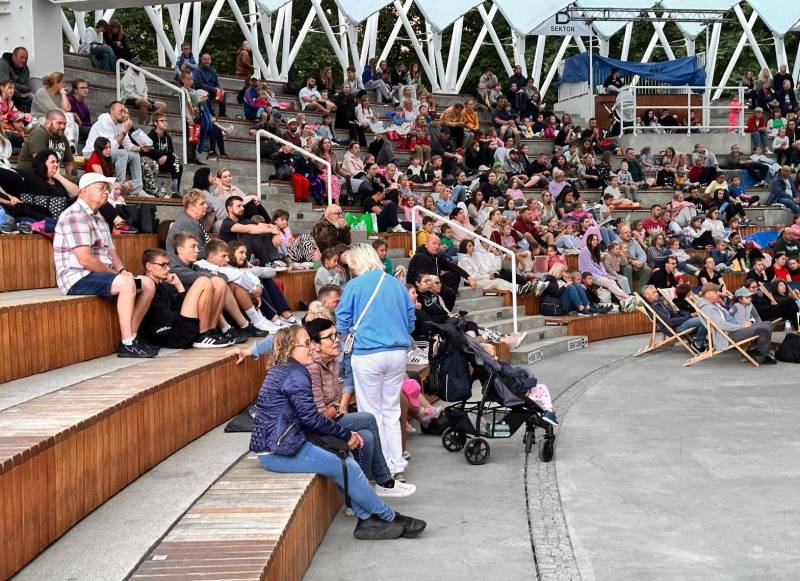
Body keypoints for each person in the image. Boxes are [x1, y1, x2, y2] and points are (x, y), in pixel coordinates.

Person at [247, 325, 426, 540]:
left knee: (345, 459)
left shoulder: (286, 369)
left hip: (287, 440)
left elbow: (307, 419)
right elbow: (312, 419)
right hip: (277, 451)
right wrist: (346, 435)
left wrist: (342, 436)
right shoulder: (295, 374)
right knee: (344, 464)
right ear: (289, 348)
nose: (313, 347)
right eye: (307, 343)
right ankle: (389, 517)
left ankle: (366, 519)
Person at [303, 317, 416, 497]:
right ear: (315, 344)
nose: (336, 340)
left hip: (331, 418)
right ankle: (383, 480)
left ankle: (360, 492)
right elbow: (320, 415)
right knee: (368, 418)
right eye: (329, 337)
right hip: (314, 429)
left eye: (336, 335)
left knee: (367, 437)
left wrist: (335, 407)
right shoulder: (312, 368)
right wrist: (335, 408)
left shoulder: (332, 362)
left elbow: (336, 397)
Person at [53, 173, 157, 357]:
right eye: (100, 188)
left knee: (147, 284)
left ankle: (131, 338)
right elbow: (85, 259)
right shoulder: (74, 216)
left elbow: (111, 252)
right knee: (127, 284)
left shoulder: (99, 217)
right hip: (76, 277)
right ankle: (127, 344)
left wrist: (122, 270)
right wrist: (116, 275)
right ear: (84, 191)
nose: (106, 192)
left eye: (107, 189)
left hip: (98, 275)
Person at [336, 244, 416, 480]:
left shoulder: (354, 285)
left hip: (367, 353)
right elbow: (411, 320)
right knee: (391, 410)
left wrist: (351, 334)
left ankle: (381, 468)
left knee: (371, 413)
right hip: (397, 352)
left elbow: (342, 321)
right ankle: (396, 465)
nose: (351, 269)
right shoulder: (396, 284)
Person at [139, 247, 232, 348]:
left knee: (219, 282)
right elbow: (166, 318)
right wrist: (197, 310)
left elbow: (177, 307)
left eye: (168, 264)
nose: (168, 269)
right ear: (149, 266)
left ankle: (210, 332)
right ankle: (203, 335)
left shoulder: (162, 286)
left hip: (180, 328)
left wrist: (179, 286)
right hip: (171, 336)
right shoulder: (146, 287)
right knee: (203, 281)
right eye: (163, 265)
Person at [695, 283, 776, 364]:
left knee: (768, 324)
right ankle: (761, 355)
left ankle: (755, 350)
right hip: (730, 334)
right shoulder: (709, 308)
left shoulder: (712, 304)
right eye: (716, 292)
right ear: (708, 294)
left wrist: (741, 323)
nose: (719, 293)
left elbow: (726, 317)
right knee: (764, 329)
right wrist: (740, 326)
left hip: (735, 328)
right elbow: (721, 325)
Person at [83, 101, 144, 195]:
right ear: (112, 111)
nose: (124, 114)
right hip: (93, 152)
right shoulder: (104, 122)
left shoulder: (120, 124)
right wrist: (124, 131)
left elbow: (127, 144)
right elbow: (109, 148)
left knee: (135, 155)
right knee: (122, 153)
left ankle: (138, 189)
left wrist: (141, 148)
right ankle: (120, 186)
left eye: (125, 112)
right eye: (121, 111)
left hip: (106, 153)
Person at [407, 235, 476, 310]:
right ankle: (444, 309)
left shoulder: (436, 256)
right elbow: (422, 281)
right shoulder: (420, 257)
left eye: (438, 244)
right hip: (422, 287)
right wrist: (442, 287)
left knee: (455, 275)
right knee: (449, 293)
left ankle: (447, 307)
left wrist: (468, 277)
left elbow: (451, 266)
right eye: (434, 243)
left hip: (434, 281)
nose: (436, 246)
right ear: (426, 244)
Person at [641, 284, 707, 351]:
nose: (657, 293)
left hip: (680, 322)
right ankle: (697, 344)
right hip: (675, 327)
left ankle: (698, 342)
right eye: (654, 292)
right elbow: (670, 322)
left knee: (704, 319)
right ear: (647, 296)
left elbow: (675, 313)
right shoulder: (654, 308)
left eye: (656, 291)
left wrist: (691, 314)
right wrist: (689, 316)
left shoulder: (660, 302)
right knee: (703, 320)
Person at [17, 110, 74, 175]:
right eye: (59, 123)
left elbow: (69, 163)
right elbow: (41, 163)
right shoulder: (39, 134)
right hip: (30, 175)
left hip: (50, 175)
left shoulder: (62, 137)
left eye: (64, 124)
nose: (63, 126)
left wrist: (72, 178)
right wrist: (59, 178)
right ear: (47, 123)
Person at [145, 114, 183, 195]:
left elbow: (171, 151)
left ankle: (175, 190)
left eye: (166, 121)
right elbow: (151, 152)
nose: (165, 123)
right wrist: (165, 154)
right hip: (154, 162)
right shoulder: (151, 136)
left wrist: (165, 156)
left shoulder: (167, 137)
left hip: (165, 162)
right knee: (174, 160)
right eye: (162, 121)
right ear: (155, 123)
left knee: (178, 165)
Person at [193, 53, 226, 117]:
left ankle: (222, 114)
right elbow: (199, 84)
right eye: (204, 59)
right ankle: (211, 113)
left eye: (208, 59)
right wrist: (213, 89)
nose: (206, 61)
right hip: (202, 91)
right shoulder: (198, 71)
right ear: (201, 60)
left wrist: (219, 89)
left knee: (223, 93)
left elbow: (216, 84)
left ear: (210, 61)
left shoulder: (213, 71)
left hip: (212, 91)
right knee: (205, 92)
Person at [0, 47, 32, 112]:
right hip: (5, 96)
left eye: (26, 58)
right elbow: (5, 85)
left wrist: (13, 84)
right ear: (14, 56)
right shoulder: (3, 64)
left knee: (32, 98)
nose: (24, 60)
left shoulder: (25, 67)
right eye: (22, 57)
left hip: (19, 97)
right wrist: (20, 94)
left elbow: (28, 87)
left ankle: (28, 117)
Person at [66, 79, 93, 144]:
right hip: (71, 128)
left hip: (81, 127)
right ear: (75, 90)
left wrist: (94, 124)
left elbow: (87, 122)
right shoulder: (69, 99)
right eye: (82, 88)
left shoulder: (84, 106)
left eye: (86, 88)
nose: (85, 90)